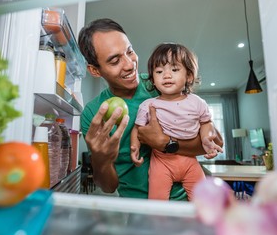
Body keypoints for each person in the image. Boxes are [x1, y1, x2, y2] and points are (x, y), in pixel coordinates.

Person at [78, 18, 223, 199]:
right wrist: (101, 160)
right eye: (115, 61)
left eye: (129, 51)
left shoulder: (160, 83)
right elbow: (108, 187)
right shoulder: (93, 115)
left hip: (187, 202)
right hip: (140, 213)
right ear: (95, 71)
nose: (130, 64)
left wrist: (166, 143)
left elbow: (216, 142)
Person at [130, 43, 223, 201]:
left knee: (202, 203)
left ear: (189, 76)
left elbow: (206, 123)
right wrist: (134, 147)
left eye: (174, 69)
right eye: (159, 71)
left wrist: (207, 139)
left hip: (190, 162)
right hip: (161, 162)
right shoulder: (148, 105)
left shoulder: (197, 102)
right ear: (153, 80)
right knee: (157, 204)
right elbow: (137, 129)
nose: (166, 75)